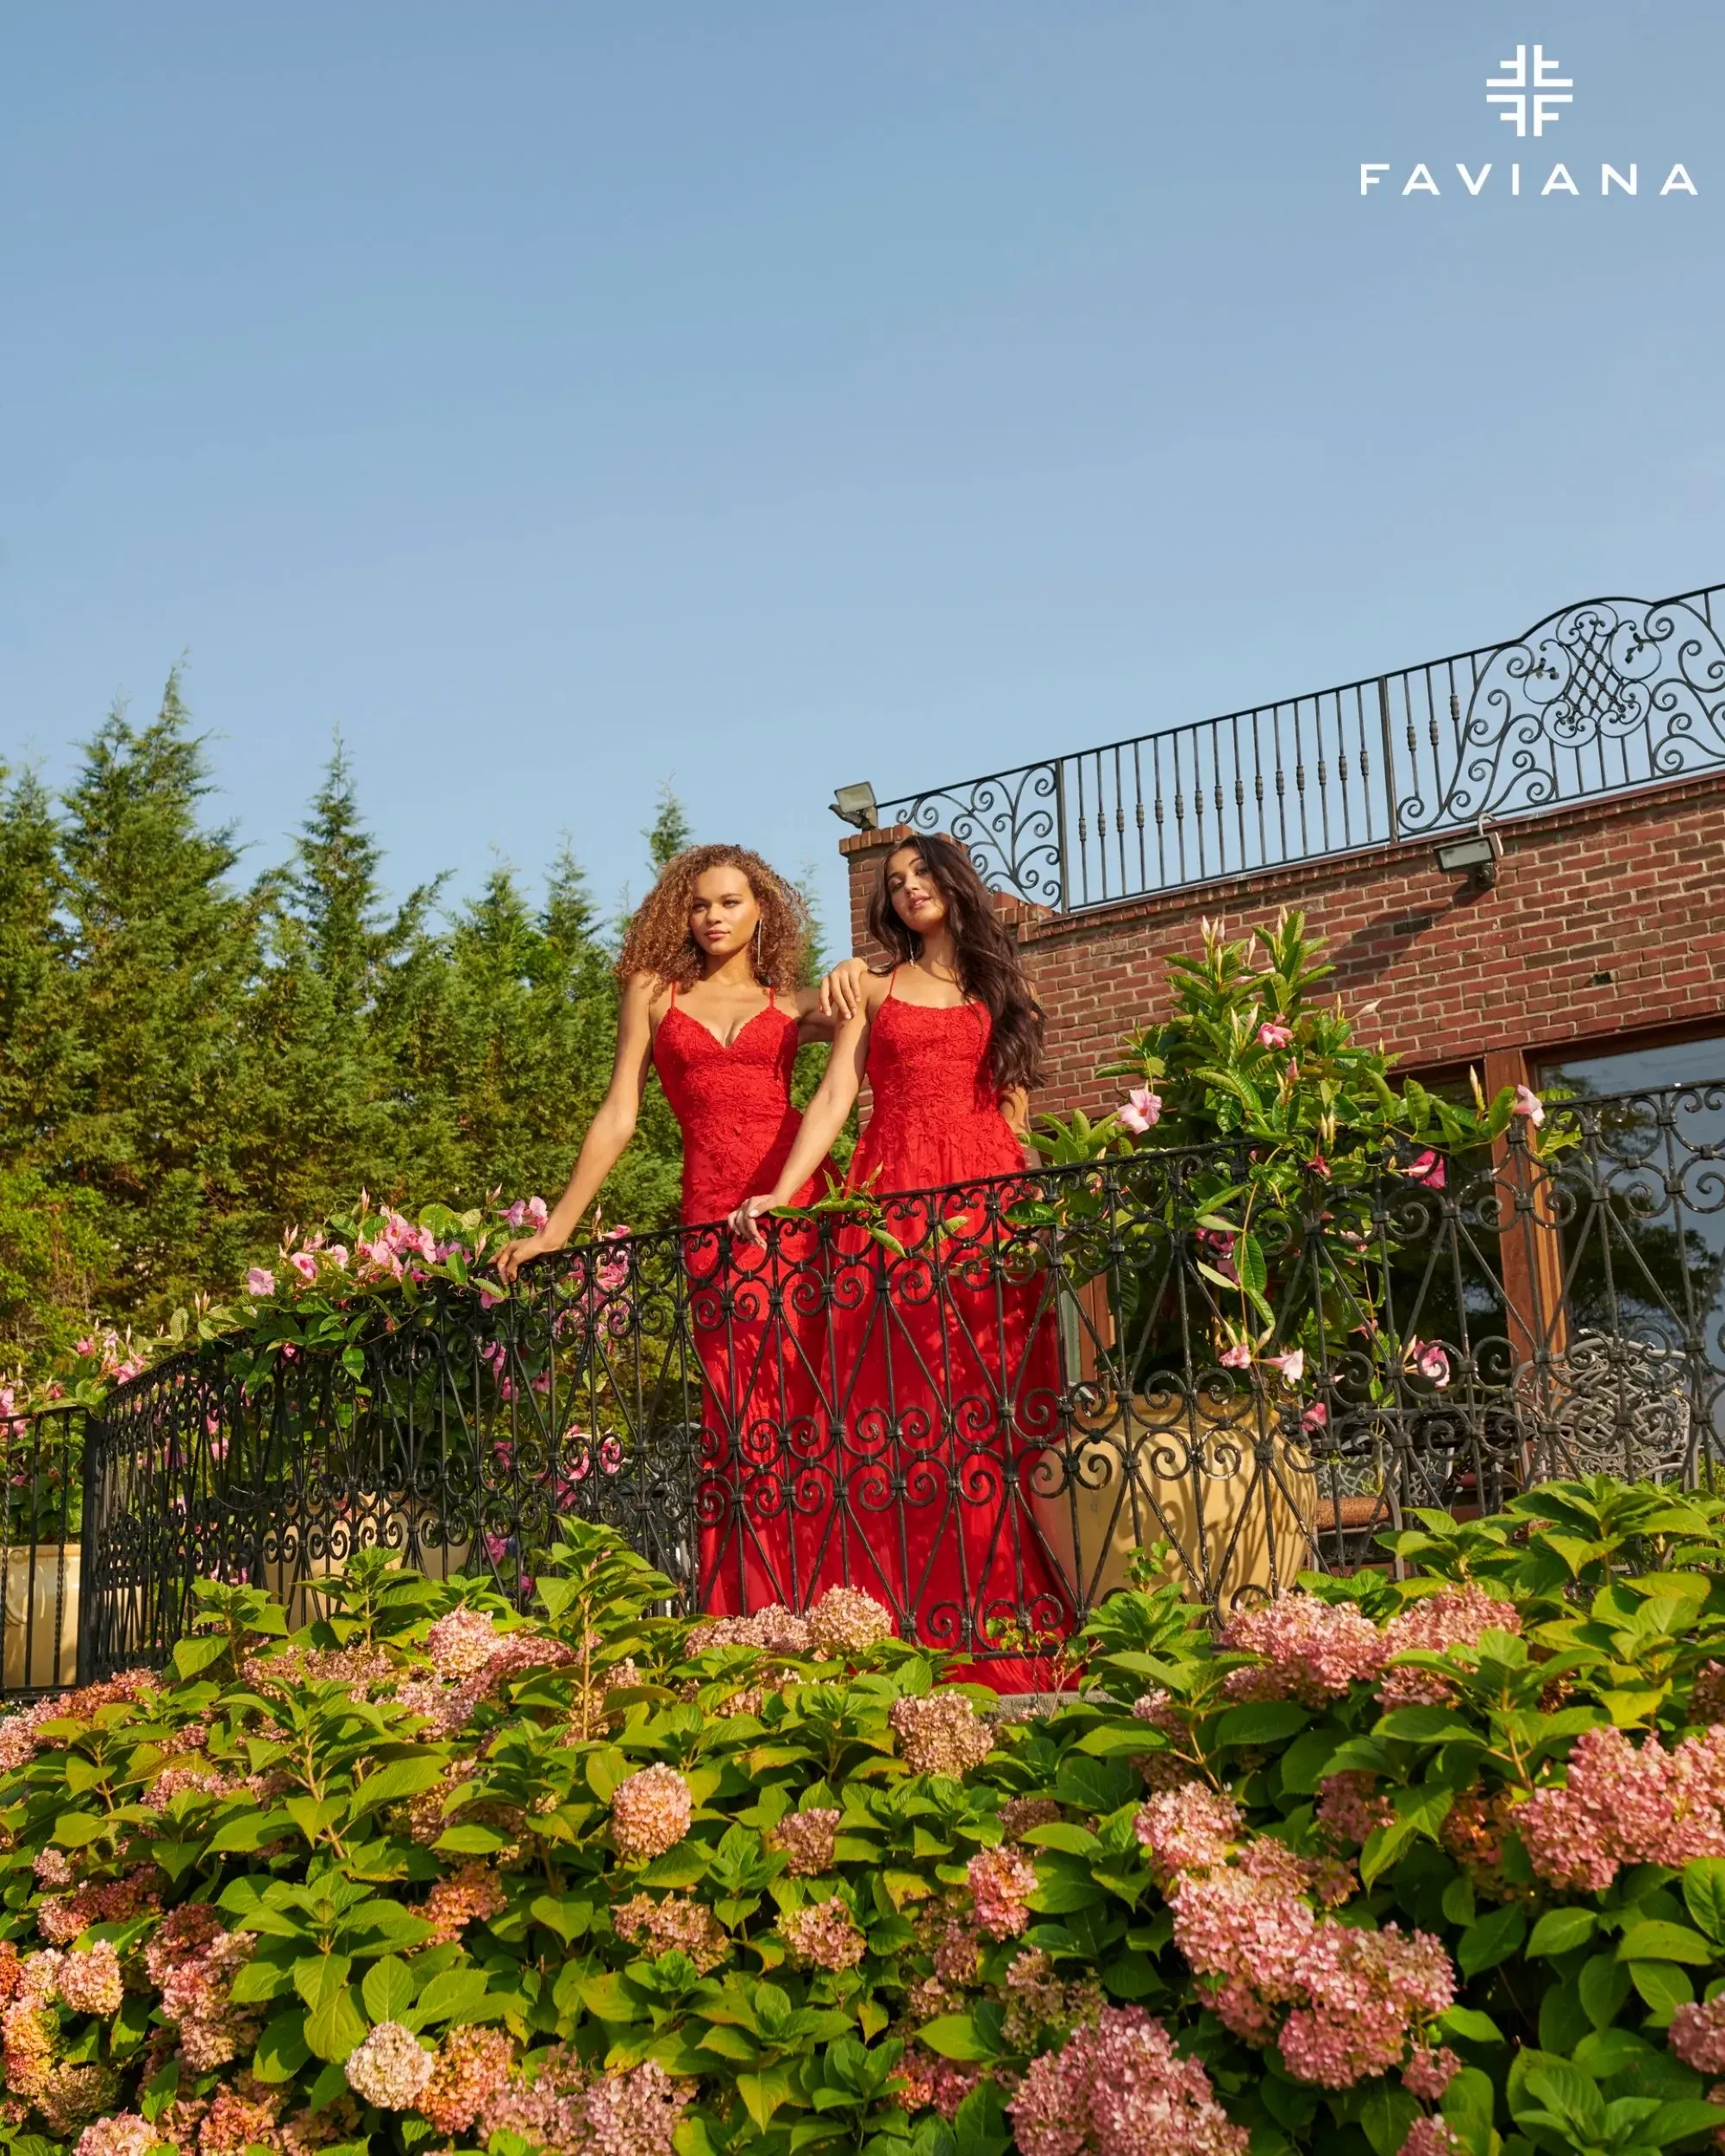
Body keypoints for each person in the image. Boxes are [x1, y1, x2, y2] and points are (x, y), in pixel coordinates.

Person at [731, 832, 1072, 1689]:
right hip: (899, 1200)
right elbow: (836, 1094)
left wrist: (1031, 1200)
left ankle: (1007, 1620)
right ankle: (904, 1621)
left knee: (992, 1409)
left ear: (954, 885)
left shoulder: (1003, 984)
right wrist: (782, 1189)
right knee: (905, 1408)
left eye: (923, 872)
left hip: (990, 1200)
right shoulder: (871, 988)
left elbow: (1016, 1109)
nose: (910, 886)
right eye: (896, 880)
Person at [497, 844, 841, 1616]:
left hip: (793, 1208)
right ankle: (751, 1606)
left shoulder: (795, 1003)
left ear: (763, 913)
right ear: (678, 915)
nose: (714, 917)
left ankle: (826, 1596)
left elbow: (887, 1041)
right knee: (737, 1403)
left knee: (806, 1398)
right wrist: (558, 1229)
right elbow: (620, 1115)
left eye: (730, 902)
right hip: (712, 1215)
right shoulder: (655, 993)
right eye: (699, 904)